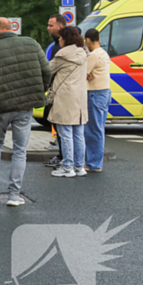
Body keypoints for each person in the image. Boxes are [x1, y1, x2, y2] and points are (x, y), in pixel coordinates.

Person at [0, 18, 51, 207]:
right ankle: (13, 195)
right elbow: (47, 71)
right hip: (24, 108)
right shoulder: (31, 44)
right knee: (19, 150)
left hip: (0, 108)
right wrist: (38, 92)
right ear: (11, 29)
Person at [48, 26, 88, 178]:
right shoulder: (82, 53)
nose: (58, 40)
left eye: (60, 37)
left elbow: (46, 70)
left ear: (66, 38)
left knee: (65, 134)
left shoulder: (62, 55)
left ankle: (67, 167)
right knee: (78, 134)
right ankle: (79, 166)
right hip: (80, 97)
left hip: (65, 97)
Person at [84, 28, 112, 173]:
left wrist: (87, 74)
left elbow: (82, 73)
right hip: (105, 92)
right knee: (99, 128)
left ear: (87, 40)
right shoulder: (104, 54)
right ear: (99, 39)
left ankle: (94, 164)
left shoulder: (93, 55)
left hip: (95, 93)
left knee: (93, 130)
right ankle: (95, 162)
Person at [44, 14, 67, 168]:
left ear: (60, 27)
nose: (48, 28)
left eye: (51, 25)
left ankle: (66, 158)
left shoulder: (63, 47)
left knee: (65, 128)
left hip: (62, 93)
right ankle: (63, 155)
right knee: (58, 126)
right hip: (57, 91)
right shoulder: (55, 45)